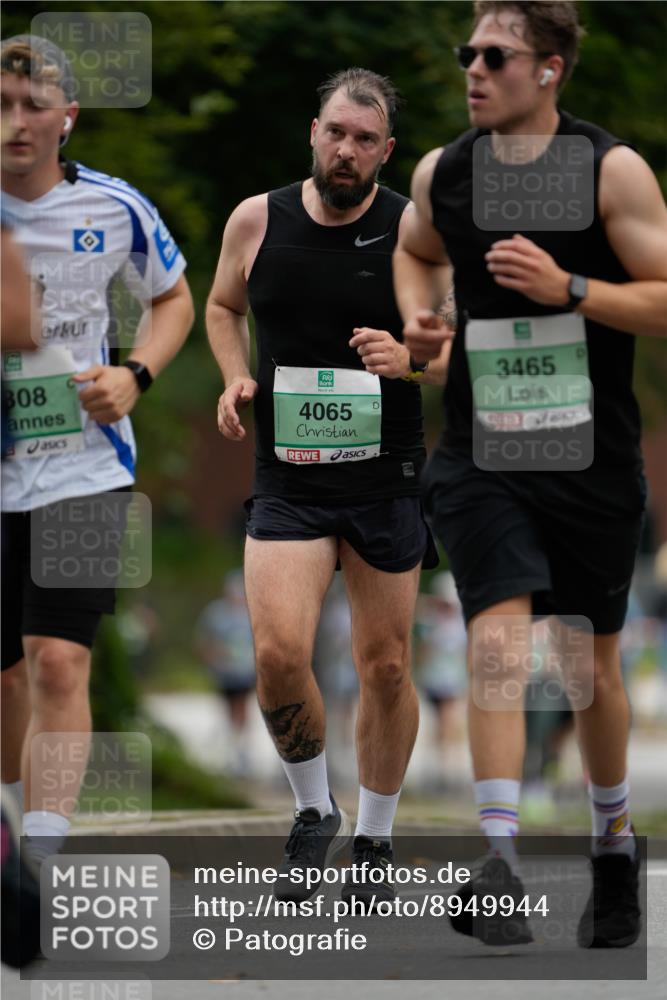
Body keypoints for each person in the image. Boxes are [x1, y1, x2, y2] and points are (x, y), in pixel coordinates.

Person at [394, 0, 666, 948]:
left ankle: (611, 847)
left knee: (588, 665)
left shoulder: (608, 169)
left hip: (589, 455)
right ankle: (498, 859)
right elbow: (416, 252)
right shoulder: (443, 171)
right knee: (498, 645)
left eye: (495, 55)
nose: (472, 68)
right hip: (480, 454)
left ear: (548, 69)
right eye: (466, 51)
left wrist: (570, 290)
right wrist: (423, 322)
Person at [206, 67, 445, 907]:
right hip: (290, 477)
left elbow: (456, 348)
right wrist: (235, 376)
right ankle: (314, 810)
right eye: (336, 132)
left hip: (385, 476)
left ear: (387, 150)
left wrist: (408, 360)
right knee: (276, 654)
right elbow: (222, 307)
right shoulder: (255, 219)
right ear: (314, 132)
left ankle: (374, 838)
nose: (346, 150)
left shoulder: (413, 231)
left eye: (364, 140)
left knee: (385, 666)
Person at [0, 35, 194, 864]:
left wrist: (136, 374)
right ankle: (11, 840)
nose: (17, 122)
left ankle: (39, 863)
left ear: (68, 117)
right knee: (7, 677)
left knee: (56, 661)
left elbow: (174, 297)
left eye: (35, 105)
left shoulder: (115, 207)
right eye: (2, 105)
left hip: (83, 464)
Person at [195, 570, 256, 777]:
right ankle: (233, 749)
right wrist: (213, 658)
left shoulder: (251, 612)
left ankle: (242, 752)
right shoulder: (216, 613)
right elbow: (204, 642)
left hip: (245, 673)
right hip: (224, 673)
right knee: (229, 710)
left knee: (242, 708)